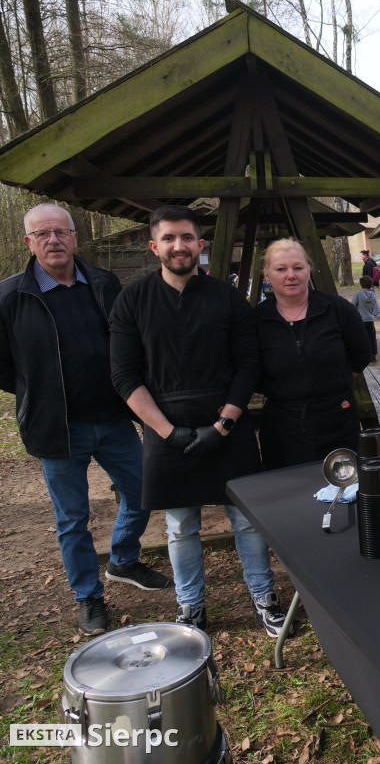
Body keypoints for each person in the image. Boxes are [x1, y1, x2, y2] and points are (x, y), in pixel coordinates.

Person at [109, 205, 291, 637]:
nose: (179, 246)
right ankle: (190, 607)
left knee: (246, 518)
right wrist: (168, 432)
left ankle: (264, 597)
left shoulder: (228, 299)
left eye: (187, 237)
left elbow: (248, 364)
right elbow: (123, 375)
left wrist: (225, 423)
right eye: (169, 238)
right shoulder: (132, 300)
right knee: (180, 524)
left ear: (200, 245)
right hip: (163, 427)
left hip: (226, 423)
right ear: (155, 246)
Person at [0, 204, 168, 636]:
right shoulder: (10, 296)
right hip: (56, 428)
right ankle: (88, 597)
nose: (53, 240)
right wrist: (34, 392)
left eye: (61, 232)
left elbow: (123, 342)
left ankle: (124, 561)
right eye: (42, 234)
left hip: (113, 418)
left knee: (144, 490)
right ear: (29, 243)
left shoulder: (102, 282)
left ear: (74, 237)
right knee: (72, 519)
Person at [254, 238, 371, 469]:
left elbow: (361, 355)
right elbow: (250, 369)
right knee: (289, 497)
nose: (291, 275)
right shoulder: (256, 320)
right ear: (267, 275)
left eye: (298, 267)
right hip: (282, 427)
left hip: (337, 421)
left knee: (342, 492)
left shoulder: (337, 309)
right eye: (281, 269)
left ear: (309, 270)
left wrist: (331, 385)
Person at [352, 275, 379, 362]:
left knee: (361, 338)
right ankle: (373, 354)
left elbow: (353, 305)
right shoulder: (373, 295)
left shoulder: (358, 294)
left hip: (361, 319)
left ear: (361, 284)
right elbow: (374, 306)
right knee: (372, 338)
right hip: (370, 319)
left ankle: (363, 355)